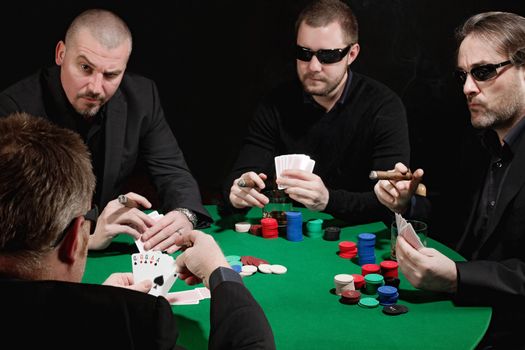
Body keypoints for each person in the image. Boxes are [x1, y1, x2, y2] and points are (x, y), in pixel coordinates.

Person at [0, 112, 275, 349]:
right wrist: (219, 271)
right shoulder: (139, 321)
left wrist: (94, 304)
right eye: (89, 217)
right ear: (74, 239)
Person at [0, 8, 211, 253]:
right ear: (61, 54)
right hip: (41, 258)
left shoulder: (142, 97)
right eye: (85, 68)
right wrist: (86, 236)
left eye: (111, 74)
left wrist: (185, 215)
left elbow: (173, 171)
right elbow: (13, 214)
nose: (96, 88)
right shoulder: (14, 108)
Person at [374, 12, 525, 349]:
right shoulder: (482, 142)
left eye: (484, 72)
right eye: (463, 75)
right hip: (459, 317)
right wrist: (407, 203)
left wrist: (458, 278)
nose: (469, 88)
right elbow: (461, 219)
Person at [223, 0, 411, 225]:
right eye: (304, 53)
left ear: (352, 54)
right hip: (289, 239)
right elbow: (235, 182)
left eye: (328, 56)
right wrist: (238, 192)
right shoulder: (276, 103)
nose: (313, 66)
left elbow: (390, 204)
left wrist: (329, 200)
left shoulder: (383, 106)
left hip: (358, 237)